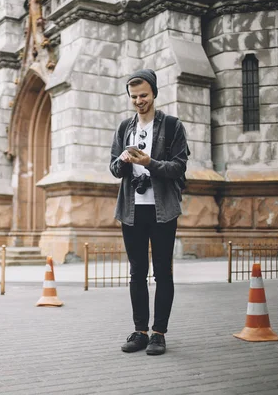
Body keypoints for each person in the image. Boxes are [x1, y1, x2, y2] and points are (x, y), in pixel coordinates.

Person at [109, 69, 189, 356]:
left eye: (143, 95)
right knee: (137, 273)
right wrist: (124, 161)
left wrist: (151, 162)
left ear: (154, 93)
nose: (139, 101)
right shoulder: (123, 129)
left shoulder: (171, 126)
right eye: (134, 97)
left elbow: (179, 167)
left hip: (162, 210)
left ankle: (159, 333)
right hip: (132, 211)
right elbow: (114, 169)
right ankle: (140, 331)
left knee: (163, 274)